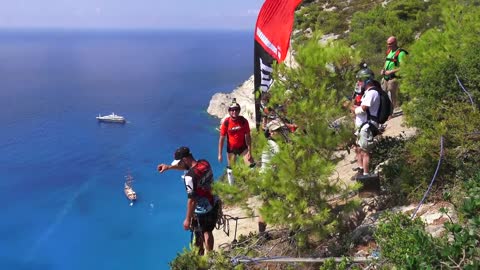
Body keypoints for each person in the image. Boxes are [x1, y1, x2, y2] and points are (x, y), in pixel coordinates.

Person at [157, 146, 219, 255]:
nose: (178, 165)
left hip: (201, 210)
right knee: (208, 231)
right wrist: (169, 167)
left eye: (179, 163)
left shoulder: (189, 177)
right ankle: (211, 257)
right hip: (213, 203)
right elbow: (189, 168)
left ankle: (200, 260)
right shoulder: (204, 163)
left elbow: (192, 200)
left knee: (199, 235)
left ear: (185, 160)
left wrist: (187, 219)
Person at [218, 98, 255, 185]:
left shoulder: (243, 121)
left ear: (239, 111)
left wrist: (250, 151)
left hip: (242, 147)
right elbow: (222, 139)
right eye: (232, 110)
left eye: (236, 110)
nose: (234, 112)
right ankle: (232, 188)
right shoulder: (226, 123)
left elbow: (248, 136)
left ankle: (253, 185)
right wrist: (219, 154)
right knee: (230, 170)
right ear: (229, 111)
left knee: (251, 166)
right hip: (231, 149)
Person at [351, 74, 380, 176]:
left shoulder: (372, 93)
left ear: (366, 81)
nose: (358, 83)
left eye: (360, 81)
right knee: (358, 149)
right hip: (361, 126)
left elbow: (363, 109)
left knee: (365, 152)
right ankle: (360, 169)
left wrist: (351, 108)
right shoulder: (366, 93)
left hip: (366, 126)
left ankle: (366, 175)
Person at [380, 36, 408, 109]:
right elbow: (386, 62)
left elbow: (403, 67)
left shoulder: (401, 53)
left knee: (392, 93)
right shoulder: (389, 51)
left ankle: (391, 111)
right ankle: (386, 110)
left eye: (390, 44)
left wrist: (391, 71)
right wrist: (383, 70)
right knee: (383, 94)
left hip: (394, 77)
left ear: (395, 43)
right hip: (386, 77)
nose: (388, 46)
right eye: (387, 44)